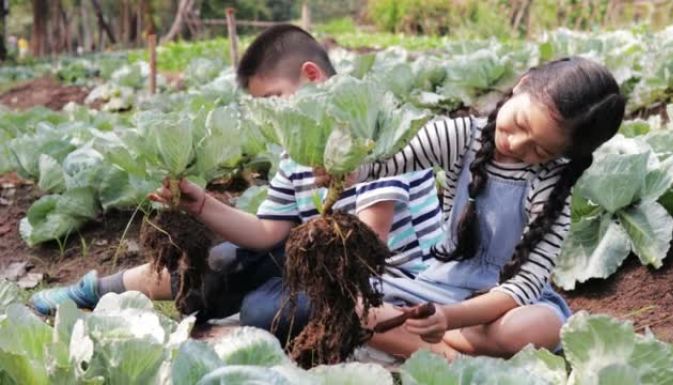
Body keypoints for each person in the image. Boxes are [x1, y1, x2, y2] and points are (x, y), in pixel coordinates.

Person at [29, 25, 444, 344]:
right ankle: (93, 290)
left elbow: (368, 243)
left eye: (273, 98)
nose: (270, 112)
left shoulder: (368, 129)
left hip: (383, 283)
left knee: (264, 311)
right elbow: (266, 233)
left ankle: (242, 306)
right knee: (224, 261)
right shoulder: (297, 147)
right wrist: (201, 205)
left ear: (312, 76)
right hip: (326, 265)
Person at [328, 56, 625, 359]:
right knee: (347, 303)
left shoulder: (551, 185)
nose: (516, 144)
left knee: (529, 329)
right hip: (438, 287)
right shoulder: (462, 136)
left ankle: (421, 344)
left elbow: (523, 286)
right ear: (521, 85)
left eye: (541, 150)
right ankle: (450, 357)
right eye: (521, 123)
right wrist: (345, 169)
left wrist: (448, 318)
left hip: (502, 306)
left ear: (565, 155)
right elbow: (392, 159)